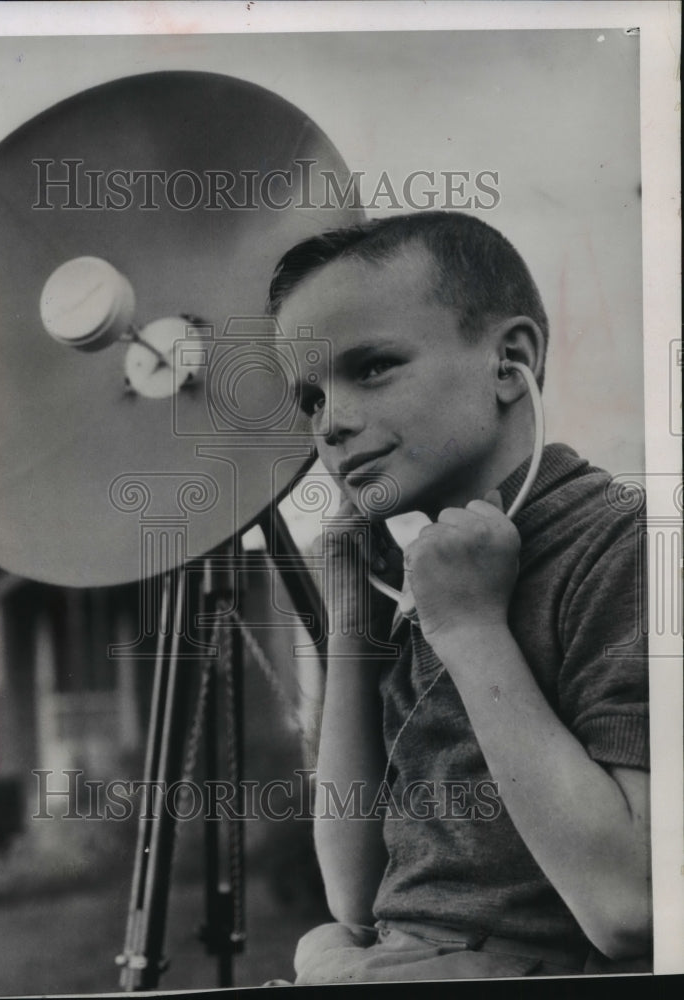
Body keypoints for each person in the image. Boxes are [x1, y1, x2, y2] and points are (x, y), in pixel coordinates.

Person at [267, 211, 650, 982]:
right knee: (323, 942)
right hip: (407, 960)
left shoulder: (622, 545)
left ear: (510, 362)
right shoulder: (431, 572)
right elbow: (355, 892)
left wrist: (471, 629)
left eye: (372, 366)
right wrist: (352, 624)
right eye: (309, 399)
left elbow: (629, 907)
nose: (331, 424)